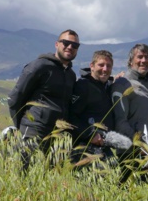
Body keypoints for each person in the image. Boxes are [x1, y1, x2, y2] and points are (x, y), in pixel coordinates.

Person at [8, 29, 80, 172]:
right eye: (66, 43)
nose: (70, 47)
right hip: (33, 131)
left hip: (57, 137)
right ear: (57, 44)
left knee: (47, 179)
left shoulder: (71, 75)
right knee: (23, 174)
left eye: (75, 45)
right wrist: (21, 126)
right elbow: (15, 98)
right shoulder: (39, 66)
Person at [111, 44, 148, 182]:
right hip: (132, 153)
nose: (143, 60)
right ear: (131, 61)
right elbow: (120, 121)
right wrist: (140, 145)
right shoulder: (122, 83)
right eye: (139, 57)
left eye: (147, 57)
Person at [69, 50, 116, 170]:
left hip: (103, 148)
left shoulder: (106, 87)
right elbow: (70, 116)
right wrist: (90, 134)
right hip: (85, 150)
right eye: (101, 65)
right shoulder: (83, 86)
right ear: (92, 66)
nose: (105, 69)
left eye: (108, 66)